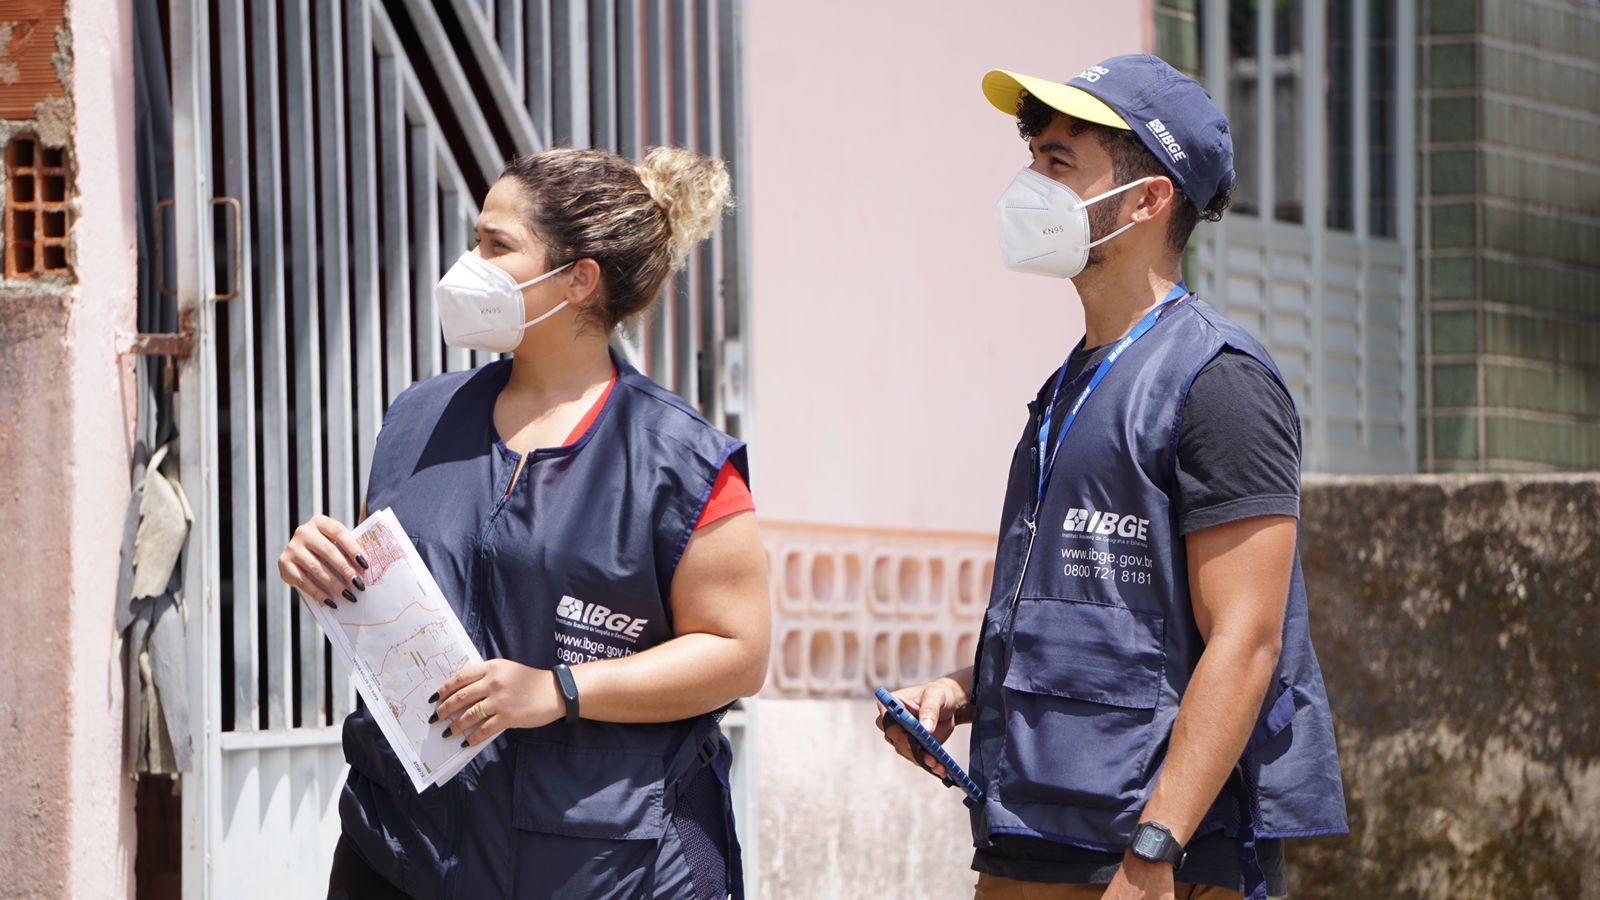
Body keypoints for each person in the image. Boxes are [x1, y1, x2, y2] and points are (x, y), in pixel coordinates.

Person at [878, 55, 1347, 900]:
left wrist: (1156, 849)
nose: (1030, 183)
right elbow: (1103, 618)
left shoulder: (1219, 381)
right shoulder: (1072, 382)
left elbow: (1246, 639)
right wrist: (960, 691)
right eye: (1033, 158)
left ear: (1147, 198)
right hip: (1033, 825)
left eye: (1059, 162)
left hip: (1155, 852)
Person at [276, 145, 771, 900]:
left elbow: (736, 654)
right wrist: (327, 562)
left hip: (600, 869)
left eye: (495, 245)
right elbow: (421, 584)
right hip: (399, 852)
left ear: (579, 279)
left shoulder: (683, 461)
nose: (467, 263)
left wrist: (558, 689)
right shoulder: (419, 416)